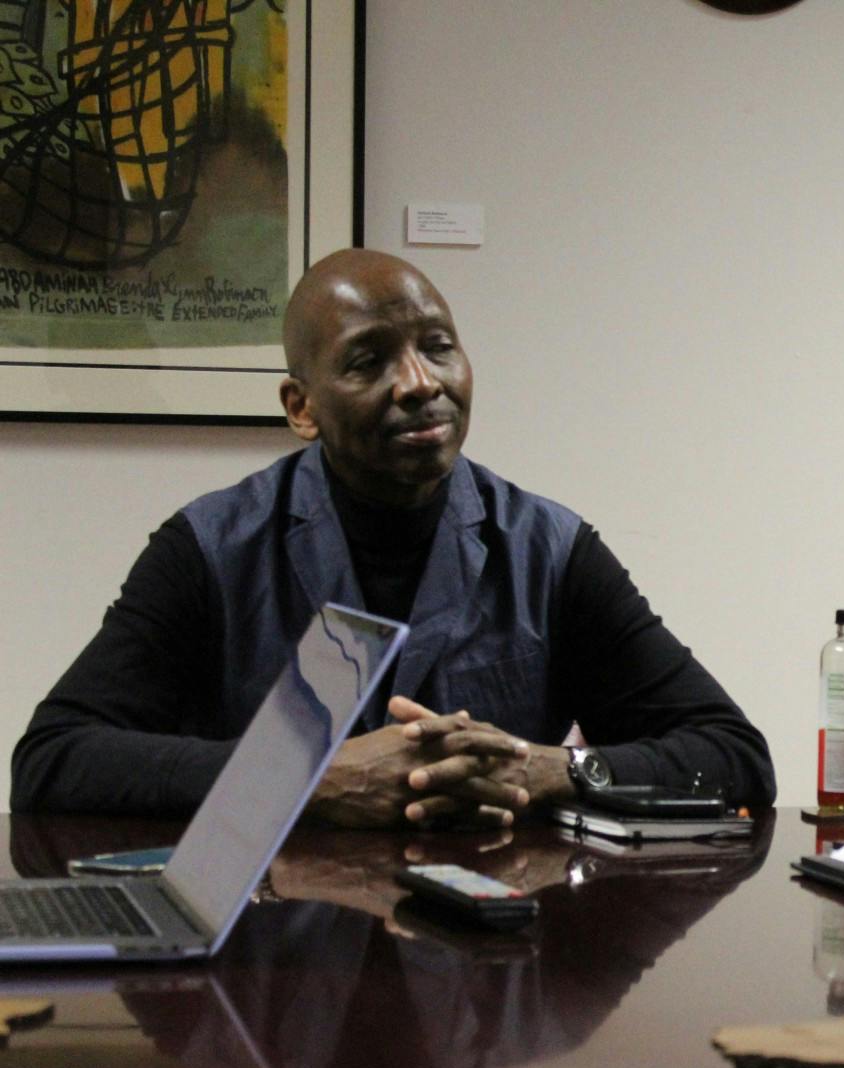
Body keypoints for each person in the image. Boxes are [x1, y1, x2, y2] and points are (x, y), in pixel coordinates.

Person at [11, 249, 775, 826]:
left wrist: (547, 769)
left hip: (482, 972)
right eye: (369, 360)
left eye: (438, 346)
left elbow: (734, 756)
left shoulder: (549, 549)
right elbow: (53, 760)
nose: (419, 382)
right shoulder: (211, 550)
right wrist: (306, 776)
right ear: (301, 405)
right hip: (268, 973)